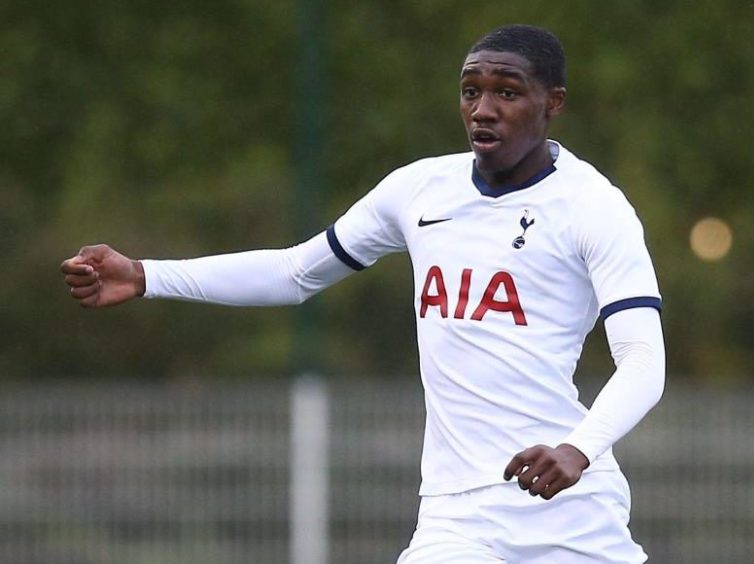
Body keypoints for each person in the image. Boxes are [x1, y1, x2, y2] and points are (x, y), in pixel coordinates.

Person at [61, 24, 665, 563]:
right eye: (470, 90)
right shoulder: (419, 190)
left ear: (552, 103)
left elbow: (643, 360)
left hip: (570, 507)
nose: (483, 109)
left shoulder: (593, 207)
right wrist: (146, 275)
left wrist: (578, 449)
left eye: (507, 92)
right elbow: (295, 273)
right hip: (455, 513)